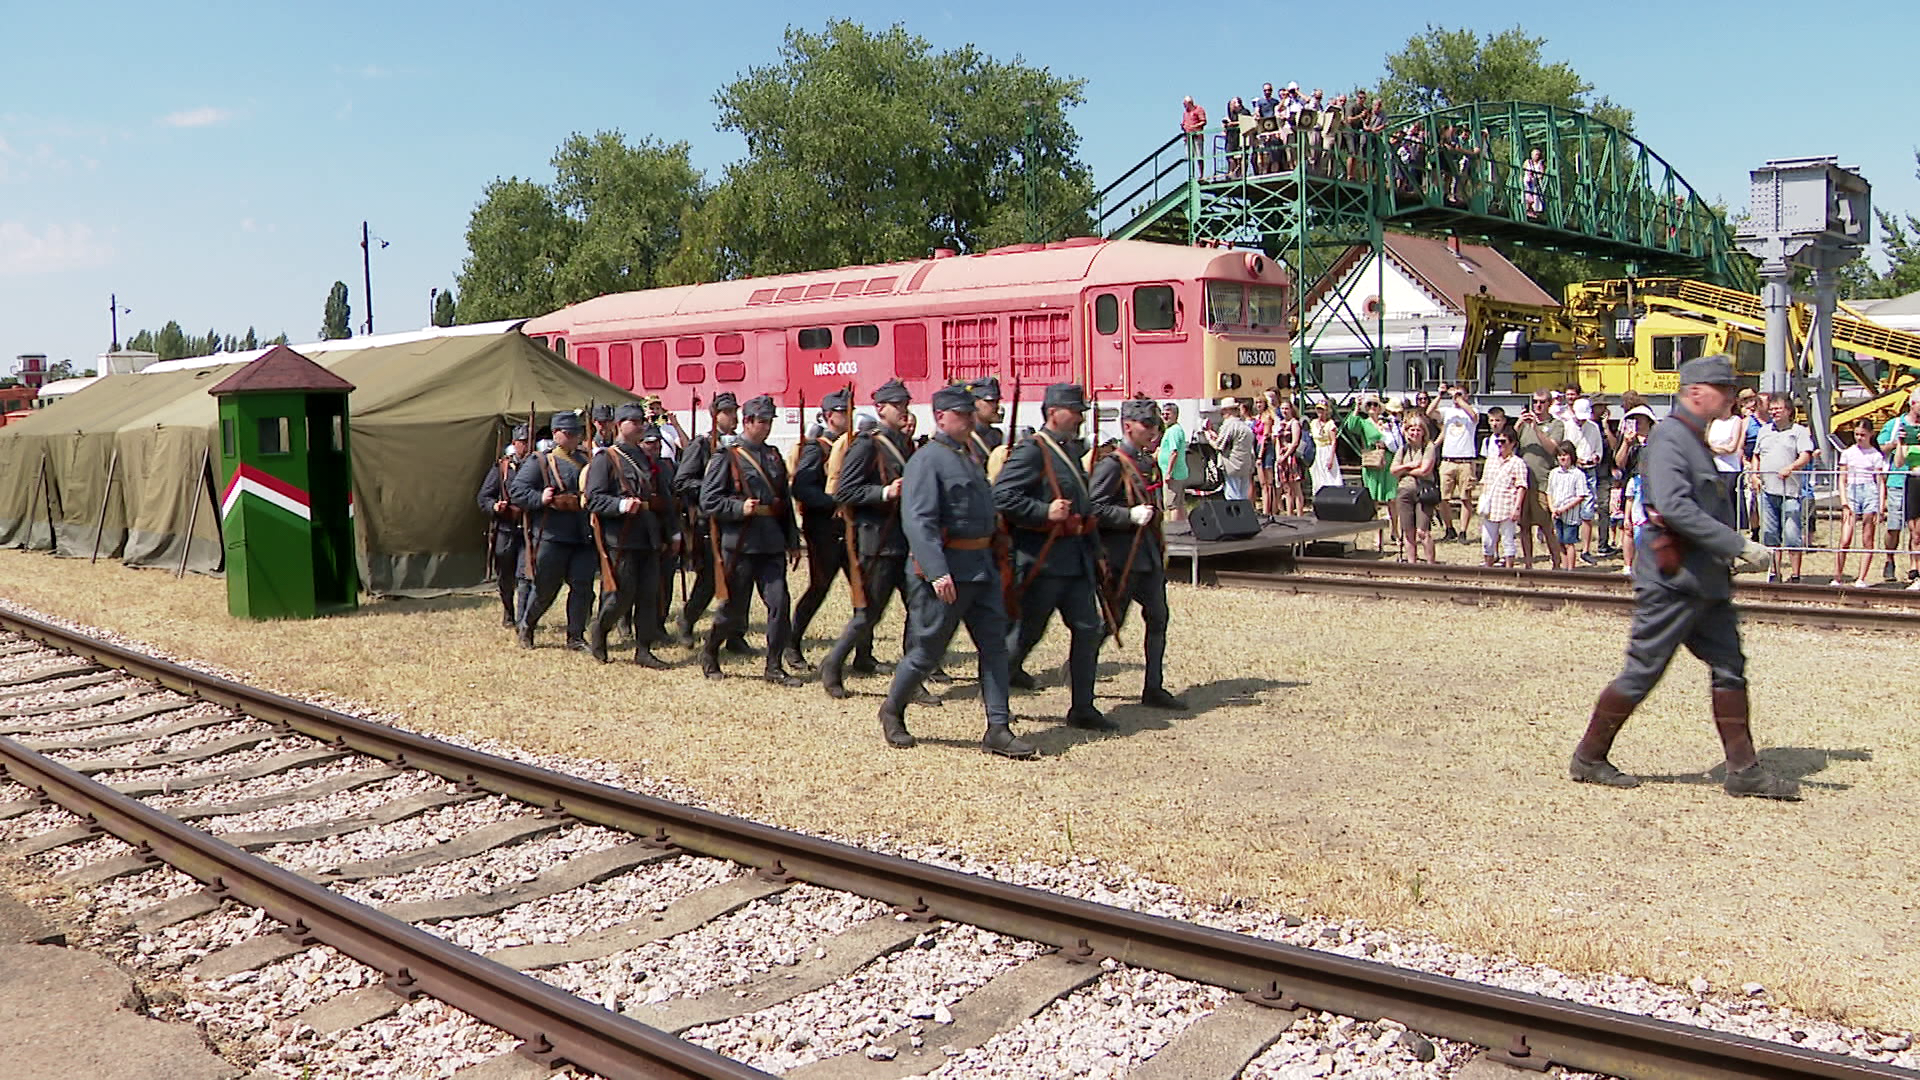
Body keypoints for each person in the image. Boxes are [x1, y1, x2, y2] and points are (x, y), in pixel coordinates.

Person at [1569, 354, 1794, 799]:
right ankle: (1589, 757)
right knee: (1642, 672)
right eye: (1723, 388)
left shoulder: (1692, 438)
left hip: (1702, 580)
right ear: (1695, 392)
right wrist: (1737, 545)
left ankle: (1743, 770)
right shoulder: (1672, 438)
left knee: (1730, 666)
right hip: (1674, 581)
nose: (1732, 395)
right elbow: (1674, 507)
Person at [885, 385, 1038, 757]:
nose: (970, 420)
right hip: (947, 573)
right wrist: (937, 571)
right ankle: (892, 709)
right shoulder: (927, 460)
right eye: (962, 414)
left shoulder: (967, 456)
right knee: (926, 651)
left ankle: (998, 727)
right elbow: (918, 520)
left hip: (980, 569)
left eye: (971, 414)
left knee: (994, 648)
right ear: (941, 417)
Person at [994, 383, 1110, 730]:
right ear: (1053, 412)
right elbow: (1002, 497)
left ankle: (1083, 707)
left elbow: (1085, 505)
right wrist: (1044, 511)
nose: (1079, 418)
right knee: (1025, 634)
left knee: (1088, 629)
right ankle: (997, 699)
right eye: (1074, 411)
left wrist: (1096, 553)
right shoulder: (1032, 451)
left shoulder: (1070, 450)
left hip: (1075, 560)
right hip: (1040, 561)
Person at [820, 379, 929, 700]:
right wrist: (884, 491)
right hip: (878, 541)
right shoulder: (868, 444)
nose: (904, 411)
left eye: (906, 405)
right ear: (881, 408)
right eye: (898, 405)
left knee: (919, 610)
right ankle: (833, 664)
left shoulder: (906, 444)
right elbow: (845, 491)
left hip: (906, 540)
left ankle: (913, 681)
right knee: (869, 614)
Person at [698, 394, 803, 685]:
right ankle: (710, 651)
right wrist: (737, 508)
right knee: (732, 610)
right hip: (740, 543)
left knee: (779, 603)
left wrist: (792, 539)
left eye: (770, 422)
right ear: (747, 422)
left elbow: (784, 502)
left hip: (770, 542)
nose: (767, 427)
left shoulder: (772, 456)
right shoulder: (727, 456)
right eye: (762, 422)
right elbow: (708, 501)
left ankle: (773, 666)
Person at [1090, 399, 1186, 710]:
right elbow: (1093, 508)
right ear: (1128, 426)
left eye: (1156, 425)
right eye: (1147, 425)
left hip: (1147, 557)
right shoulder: (1112, 465)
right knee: (1109, 624)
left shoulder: (1145, 462)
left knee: (1158, 618)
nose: (1154, 431)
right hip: (1122, 559)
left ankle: (1154, 687)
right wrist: (1127, 516)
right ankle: (1081, 680)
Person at [584, 403, 677, 668]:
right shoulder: (606, 458)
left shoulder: (648, 458)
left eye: (640, 421)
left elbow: (664, 499)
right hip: (621, 537)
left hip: (648, 535)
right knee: (620, 596)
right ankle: (600, 630)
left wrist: (673, 532)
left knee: (649, 594)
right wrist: (620, 505)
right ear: (619, 424)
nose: (639, 426)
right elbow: (594, 499)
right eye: (633, 421)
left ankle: (644, 649)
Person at [508, 410, 596, 652]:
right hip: (552, 535)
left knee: (583, 586)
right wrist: (540, 498)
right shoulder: (541, 461)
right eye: (569, 433)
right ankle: (528, 624)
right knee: (545, 588)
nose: (574, 437)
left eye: (576, 433)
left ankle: (576, 635)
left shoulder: (586, 461)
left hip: (582, 533)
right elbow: (517, 491)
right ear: (557, 434)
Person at [672, 392, 748, 651]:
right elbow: (682, 481)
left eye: (734, 410)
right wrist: (714, 488)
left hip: (738, 519)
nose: (733, 416)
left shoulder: (740, 444)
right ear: (715, 415)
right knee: (709, 580)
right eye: (727, 412)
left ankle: (736, 634)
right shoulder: (702, 445)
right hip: (710, 521)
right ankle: (687, 620)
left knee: (741, 578)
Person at [787, 387, 852, 671]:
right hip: (824, 528)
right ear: (828, 416)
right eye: (841, 411)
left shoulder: (852, 444)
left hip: (848, 527)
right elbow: (801, 487)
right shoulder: (817, 448)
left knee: (864, 591)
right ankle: (791, 643)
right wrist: (833, 503)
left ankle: (863, 652)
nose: (847, 415)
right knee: (819, 588)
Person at [1747, 394, 1814, 583]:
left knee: (1792, 535)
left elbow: (1805, 455)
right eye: (1772, 409)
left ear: (1789, 411)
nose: (1774, 412)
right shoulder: (1764, 431)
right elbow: (1756, 455)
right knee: (1770, 535)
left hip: (1790, 492)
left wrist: (1791, 468)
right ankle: (1774, 573)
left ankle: (1795, 575)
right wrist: (1754, 475)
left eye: (1778, 408)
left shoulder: (1799, 431)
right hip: (1767, 491)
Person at [476, 423, 532, 628]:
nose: (525, 446)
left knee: (526, 575)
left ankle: (525, 618)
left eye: (528, 442)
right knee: (505, 575)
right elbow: (484, 497)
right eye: (522, 442)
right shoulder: (503, 468)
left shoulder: (539, 465)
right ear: (515, 443)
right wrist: (495, 506)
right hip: (506, 527)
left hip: (529, 528)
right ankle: (509, 611)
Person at [1514, 389, 1567, 568]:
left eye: (1542, 402)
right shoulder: (1523, 425)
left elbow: (1552, 448)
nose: (1537, 405)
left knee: (1545, 525)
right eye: (1535, 401)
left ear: (1549, 404)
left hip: (1543, 482)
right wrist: (1519, 424)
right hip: (1523, 482)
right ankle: (1528, 563)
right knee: (1524, 526)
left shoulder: (1556, 425)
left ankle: (1557, 562)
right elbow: (1508, 442)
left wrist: (1536, 428)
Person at [1837, 416, 1887, 588]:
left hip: (1869, 492)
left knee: (1867, 538)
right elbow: (1842, 479)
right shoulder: (1848, 453)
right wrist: (1844, 501)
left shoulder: (1875, 455)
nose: (1859, 438)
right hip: (1852, 490)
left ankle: (1862, 578)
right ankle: (1838, 576)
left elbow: (1880, 482)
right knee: (1845, 538)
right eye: (1857, 434)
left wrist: (1881, 506)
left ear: (1870, 434)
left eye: (1863, 435)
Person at [1340, 397, 1396, 544]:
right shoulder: (1364, 423)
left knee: (1392, 499)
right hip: (1372, 463)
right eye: (1369, 404)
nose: (1372, 407)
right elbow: (1351, 426)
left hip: (1388, 461)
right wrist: (1356, 408)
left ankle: (1396, 532)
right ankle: (1377, 535)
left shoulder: (1386, 422)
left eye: (1375, 405)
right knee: (1373, 499)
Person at [1878, 389, 1920, 586]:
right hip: (1897, 480)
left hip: (1917, 480)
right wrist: (1897, 442)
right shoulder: (1895, 424)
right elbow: (1879, 448)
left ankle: (1914, 567)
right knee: (1894, 526)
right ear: (1913, 404)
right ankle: (1889, 559)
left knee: (1916, 530)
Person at [1390, 413, 1439, 563]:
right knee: (1408, 532)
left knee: (1422, 531)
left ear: (1424, 431)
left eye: (1418, 430)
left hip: (1422, 491)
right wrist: (1409, 465)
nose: (1415, 433)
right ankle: (1412, 564)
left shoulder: (1428, 447)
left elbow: (1425, 470)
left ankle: (1430, 564)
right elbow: (1392, 470)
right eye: (1412, 429)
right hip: (1404, 491)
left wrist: (1403, 471)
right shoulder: (1404, 449)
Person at [1432, 385, 1479, 541]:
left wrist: (1459, 398)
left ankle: (1463, 531)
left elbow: (1473, 415)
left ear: (1467, 396)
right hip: (1448, 460)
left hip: (1466, 460)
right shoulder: (1448, 412)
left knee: (1466, 497)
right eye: (1455, 395)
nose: (1456, 397)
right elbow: (1429, 412)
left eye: (1460, 394)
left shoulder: (1473, 410)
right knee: (1444, 498)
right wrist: (1439, 396)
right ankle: (1449, 528)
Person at [1477, 428, 1527, 567]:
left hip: (1507, 506)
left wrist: (1517, 508)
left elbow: (1521, 486)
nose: (1500, 444)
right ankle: (1488, 567)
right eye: (1498, 441)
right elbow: (1484, 483)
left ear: (1512, 443)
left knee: (1508, 541)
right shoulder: (1490, 461)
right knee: (1487, 541)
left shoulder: (1518, 463)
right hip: (1491, 507)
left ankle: (1509, 569)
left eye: (1503, 441)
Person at [1616, 404, 1656, 576]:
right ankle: (1628, 564)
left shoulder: (1656, 440)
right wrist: (1626, 443)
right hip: (1632, 485)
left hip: (1652, 486)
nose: (1637, 423)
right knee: (1628, 526)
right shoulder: (1628, 441)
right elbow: (1619, 463)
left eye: (1640, 419)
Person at [1548, 444, 1590, 571]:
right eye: (1560, 455)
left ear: (1571, 456)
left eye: (1565, 455)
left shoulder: (1578, 474)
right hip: (1556, 513)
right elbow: (1549, 492)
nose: (1562, 458)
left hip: (1570, 514)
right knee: (1559, 542)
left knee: (1569, 543)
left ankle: (1571, 570)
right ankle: (1564, 568)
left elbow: (1581, 495)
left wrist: (1565, 508)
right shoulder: (1554, 473)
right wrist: (1552, 508)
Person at [1205, 397, 1255, 502]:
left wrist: (1208, 437)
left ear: (1228, 411)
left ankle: (1235, 517)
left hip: (1232, 465)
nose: (1222, 413)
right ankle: (1243, 516)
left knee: (1232, 495)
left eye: (1223, 410)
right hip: (1245, 464)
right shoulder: (1244, 425)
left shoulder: (1229, 425)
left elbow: (1219, 445)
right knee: (1243, 495)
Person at [1156, 402, 1189, 521]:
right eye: (1163, 414)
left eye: (1168, 414)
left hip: (1173, 474)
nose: (1164, 416)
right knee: (1179, 503)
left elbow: (1174, 452)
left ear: (1175, 415)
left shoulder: (1173, 431)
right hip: (1178, 473)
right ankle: (1184, 527)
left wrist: (1168, 472)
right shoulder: (1173, 429)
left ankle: (1175, 531)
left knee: (1172, 505)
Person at [1274, 398, 1305, 515]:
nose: (1284, 411)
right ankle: (1289, 514)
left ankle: (1300, 514)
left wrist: (1286, 456)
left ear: (1291, 409)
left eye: (1286, 408)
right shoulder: (1280, 424)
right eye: (1282, 408)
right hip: (1282, 459)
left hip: (1292, 458)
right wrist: (1279, 457)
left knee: (1296, 488)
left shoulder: (1295, 423)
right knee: (1287, 489)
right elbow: (1277, 441)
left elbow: (1295, 442)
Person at [967, 376, 1006, 465]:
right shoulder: (965, 438)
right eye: (989, 401)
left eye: (996, 401)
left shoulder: (997, 435)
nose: (995, 406)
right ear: (974, 402)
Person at [1307, 400, 1341, 494]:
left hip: (1326, 449)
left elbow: (1333, 441)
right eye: (1318, 409)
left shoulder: (1330, 424)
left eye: (1322, 410)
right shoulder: (1313, 423)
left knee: (1329, 475)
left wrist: (1331, 458)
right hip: (1316, 450)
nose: (1320, 412)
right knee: (1316, 475)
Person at [1180, 96, 1208, 162]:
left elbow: (1203, 121)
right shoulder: (1185, 113)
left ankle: (1201, 172)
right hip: (1188, 137)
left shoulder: (1199, 109)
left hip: (1197, 135)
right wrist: (1183, 126)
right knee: (1189, 157)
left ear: (1189, 103)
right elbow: (1184, 122)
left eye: (1185, 103)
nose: (1184, 105)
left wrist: (1194, 126)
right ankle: (1191, 172)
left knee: (1199, 156)